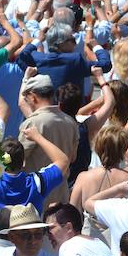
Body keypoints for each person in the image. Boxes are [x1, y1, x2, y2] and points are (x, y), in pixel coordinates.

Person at [18, 73, 79, 207]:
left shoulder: (32, 123)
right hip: (61, 196)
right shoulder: (71, 122)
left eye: (27, 99)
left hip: (37, 198)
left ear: (33, 97)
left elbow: (18, 162)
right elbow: (73, 157)